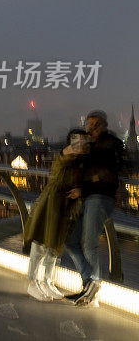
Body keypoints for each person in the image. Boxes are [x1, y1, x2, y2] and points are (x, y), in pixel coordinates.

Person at [65, 110, 125, 306]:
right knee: (72, 241)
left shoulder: (110, 144)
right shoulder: (89, 146)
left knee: (88, 243)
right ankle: (88, 284)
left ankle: (93, 286)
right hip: (89, 197)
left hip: (99, 198)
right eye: (88, 126)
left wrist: (84, 187)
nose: (89, 129)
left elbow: (104, 177)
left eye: (93, 125)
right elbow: (88, 173)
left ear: (102, 125)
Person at [23, 128, 87, 301]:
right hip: (50, 204)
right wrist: (71, 149)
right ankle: (33, 282)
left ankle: (47, 281)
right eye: (77, 141)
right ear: (70, 143)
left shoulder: (79, 163)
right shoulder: (64, 156)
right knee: (41, 243)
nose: (81, 145)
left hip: (64, 206)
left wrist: (80, 191)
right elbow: (61, 159)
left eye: (83, 142)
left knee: (54, 246)